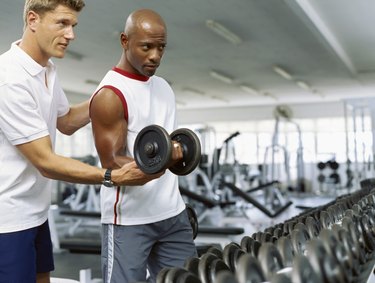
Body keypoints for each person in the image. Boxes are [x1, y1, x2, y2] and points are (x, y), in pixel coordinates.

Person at [0, 1, 161, 282]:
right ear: (33, 19)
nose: (71, 34)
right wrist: (111, 176)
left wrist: (113, 89)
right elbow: (46, 163)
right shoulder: (10, 79)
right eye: (62, 23)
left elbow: (67, 121)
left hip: (35, 214)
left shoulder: (46, 69)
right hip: (8, 220)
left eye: (73, 25)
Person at [89, 9, 198, 283]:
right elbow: (112, 162)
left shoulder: (163, 87)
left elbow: (171, 145)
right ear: (125, 41)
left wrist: (178, 153)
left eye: (161, 47)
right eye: (146, 47)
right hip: (129, 221)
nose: (155, 56)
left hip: (173, 213)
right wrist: (167, 158)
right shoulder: (110, 94)